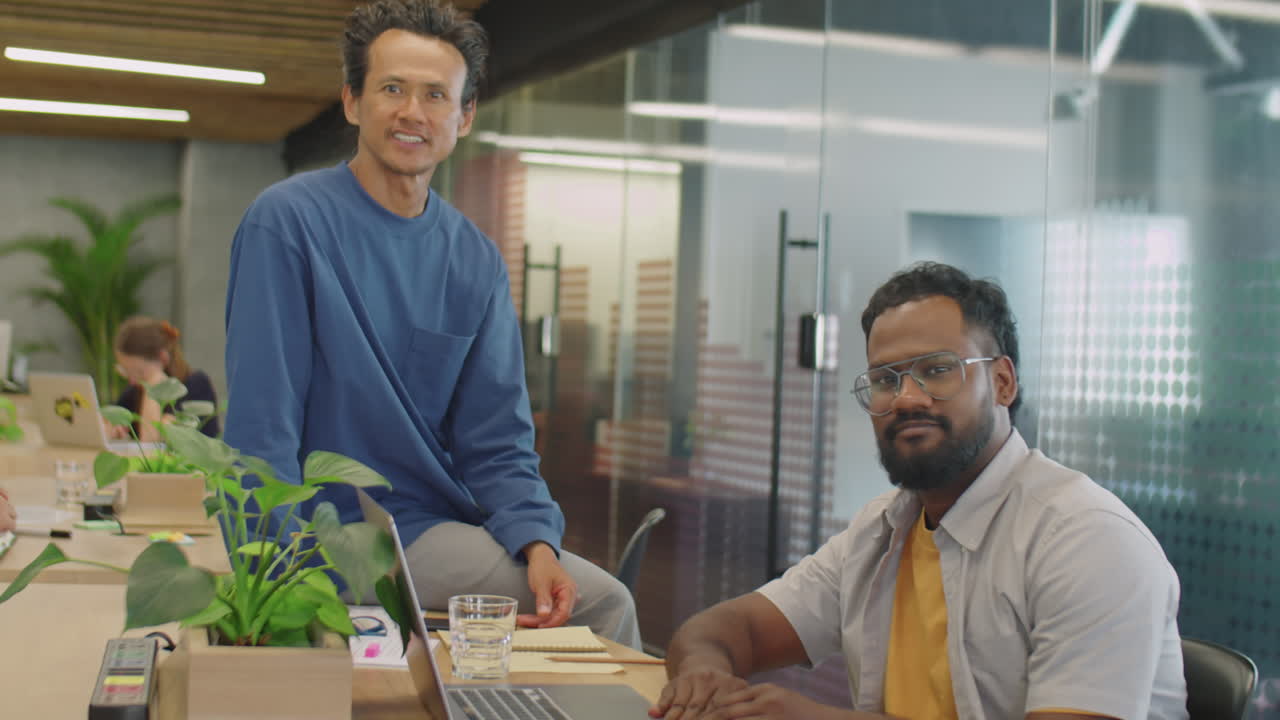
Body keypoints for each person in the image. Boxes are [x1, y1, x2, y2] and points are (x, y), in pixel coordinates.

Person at [223, 0, 639, 647]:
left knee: (591, 599)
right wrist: (275, 571)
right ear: (353, 101)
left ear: (464, 115)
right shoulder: (288, 221)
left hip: (424, 526)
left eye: (435, 95)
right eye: (392, 88)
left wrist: (535, 541)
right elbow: (262, 421)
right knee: (606, 608)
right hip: (330, 528)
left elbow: (496, 437)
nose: (412, 112)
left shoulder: (474, 259)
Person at [652, 262, 1187, 720]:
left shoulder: (1084, 539)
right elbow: (726, 628)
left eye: (936, 371)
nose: (907, 398)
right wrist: (704, 681)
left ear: (1003, 382)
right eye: (886, 379)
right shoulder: (884, 529)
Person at [111, 316, 219, 439]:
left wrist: (154, 383)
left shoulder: (197, 386)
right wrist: (113, 430)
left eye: (139, 372)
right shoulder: (135, 389)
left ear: (162, 358)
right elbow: (107, 423)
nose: (132, 380)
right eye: (126, 372)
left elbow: (150, 442)